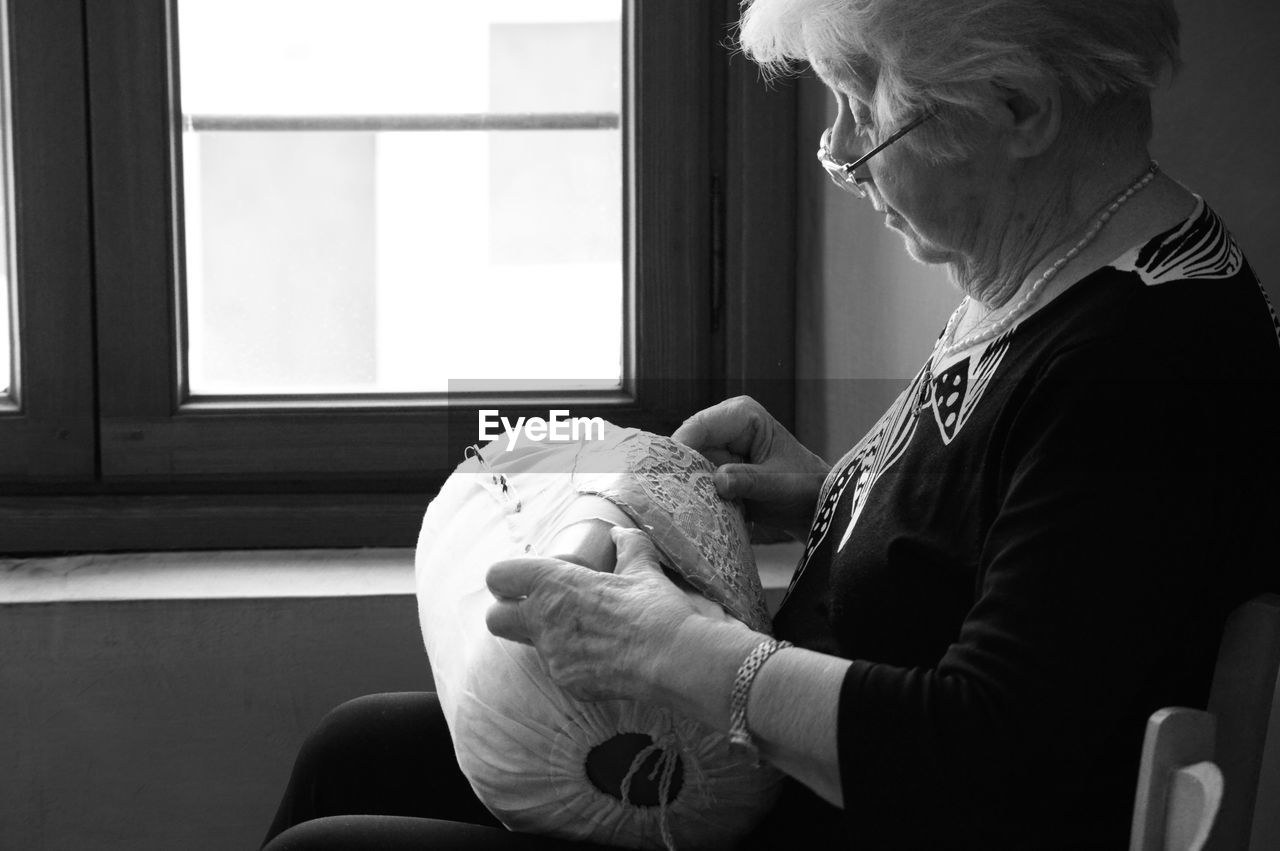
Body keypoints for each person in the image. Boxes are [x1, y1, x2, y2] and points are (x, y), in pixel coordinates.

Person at [263, 0, 1280, 847]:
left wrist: (668, 645)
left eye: (860, 104)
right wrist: (836, 491)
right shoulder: (1053, 261)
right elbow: (1010, 534)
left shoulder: (1145, 365)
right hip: (800, 783)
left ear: (1015, 108)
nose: (838, 148)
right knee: (351, 749)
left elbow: (984, 758)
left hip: (868, 815)